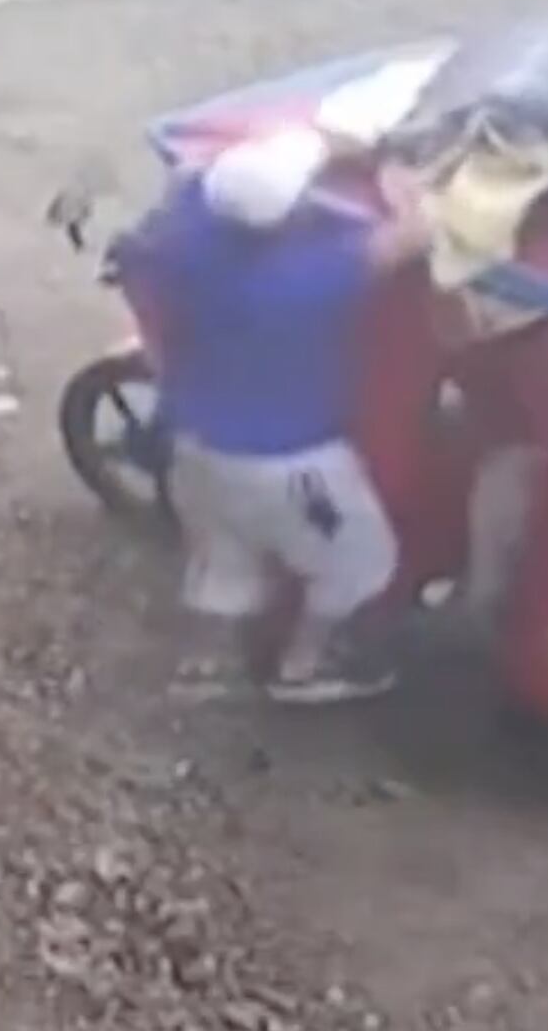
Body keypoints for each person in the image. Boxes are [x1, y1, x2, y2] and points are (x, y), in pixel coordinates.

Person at [152, 120, 431, 704]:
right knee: (359, 562)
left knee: (225, 555)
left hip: (195, 442)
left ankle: (209, 665)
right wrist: (397, 173)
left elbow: (203, 173)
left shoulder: (188, 229)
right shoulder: (316, 273)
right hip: (293, 466)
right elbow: (417, 234)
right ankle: (303, 668)